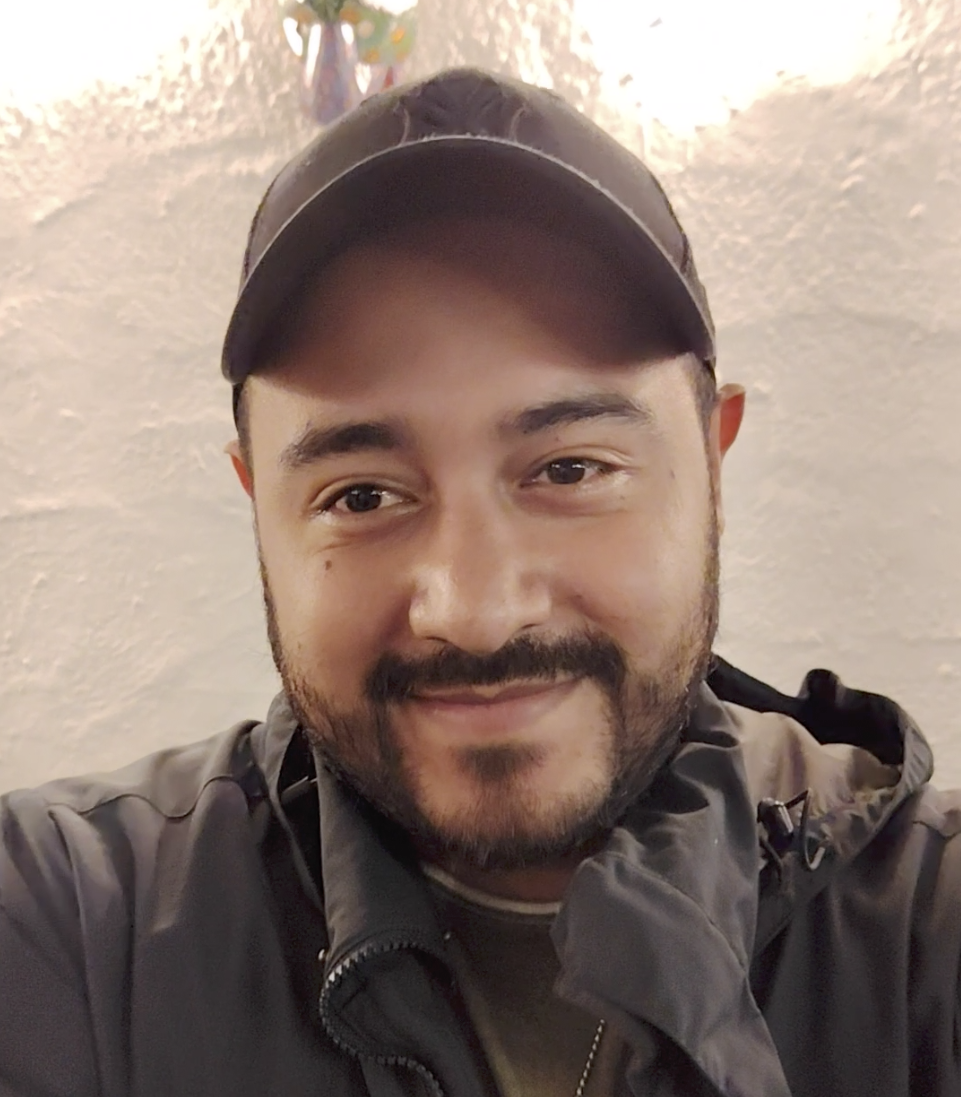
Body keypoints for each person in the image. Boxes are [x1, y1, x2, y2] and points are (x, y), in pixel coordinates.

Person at [0, 66, 957, 1097]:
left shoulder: (926, 928)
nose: (475, 607)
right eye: (362, 495)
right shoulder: (69, 922)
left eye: (569, 469)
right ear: (257, 505)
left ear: (711, 459)